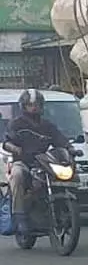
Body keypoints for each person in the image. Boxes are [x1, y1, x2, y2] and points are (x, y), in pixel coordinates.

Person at [3, 89, 72, 222]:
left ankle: (60, 206)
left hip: (43, 161)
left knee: (61, 174)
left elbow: (60, 139)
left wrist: (70, 148)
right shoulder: (16, 123)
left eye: (37, 105)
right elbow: (6, 142)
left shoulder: (47, 125)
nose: (34, 108)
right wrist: (15, 148)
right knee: (17, 176)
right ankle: (19, 215)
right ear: (24, 106)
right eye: (30, 105)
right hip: (23, 162)